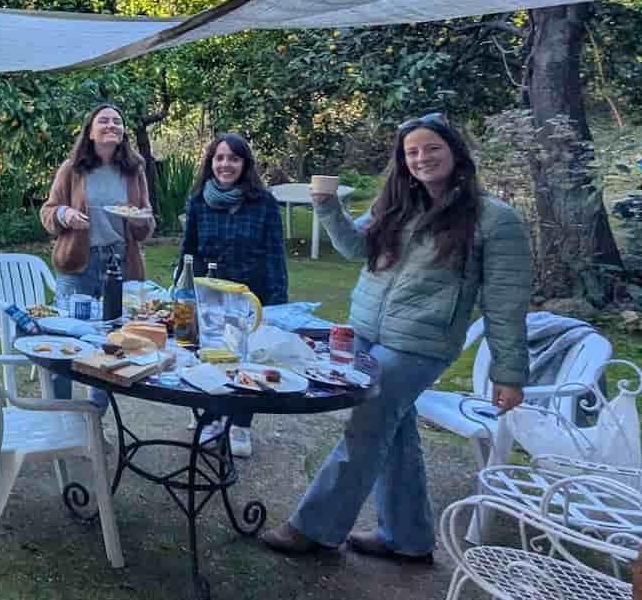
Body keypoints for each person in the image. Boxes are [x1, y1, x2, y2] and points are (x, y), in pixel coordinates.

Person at [260, 113, 531, 563]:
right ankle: (408, 538)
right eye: (412, 152)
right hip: (366, 333)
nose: (422, 158)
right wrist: (327, 206)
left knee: (366, 428)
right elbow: (354, 248)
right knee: (394, 429)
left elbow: (505, 302)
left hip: (420, 345)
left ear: (455, 152)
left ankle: (313, 527)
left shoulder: (494, 219)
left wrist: (509, 372)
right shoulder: (397, 204)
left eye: (432, 148)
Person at [180, 133, 288, 459]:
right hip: (209, 293)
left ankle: (240, 424)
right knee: (212, 356)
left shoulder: (264, 202)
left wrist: (278, 302)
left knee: (245, 359)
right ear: (211, 163)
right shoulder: (199, 201)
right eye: (219, 158)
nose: (225, 164)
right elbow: (189, 250)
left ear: (245, 164)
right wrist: (183, 290)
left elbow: (275, 254)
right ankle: (213, 419)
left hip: (250, 293)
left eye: (233, 158)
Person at [39, 103, 156, 401]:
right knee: (64, 338)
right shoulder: (73, 168)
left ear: (123, 131)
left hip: (120, 263)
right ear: (90, 132)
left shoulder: (134, 170)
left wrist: (141, 220)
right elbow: (48, 212)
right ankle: (61, 411)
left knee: (112, 341)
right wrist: (65, 214)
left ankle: (95, 412)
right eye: (104, 121)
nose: (111, 125)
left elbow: (145, 223)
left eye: (117, 121)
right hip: (78, 264)